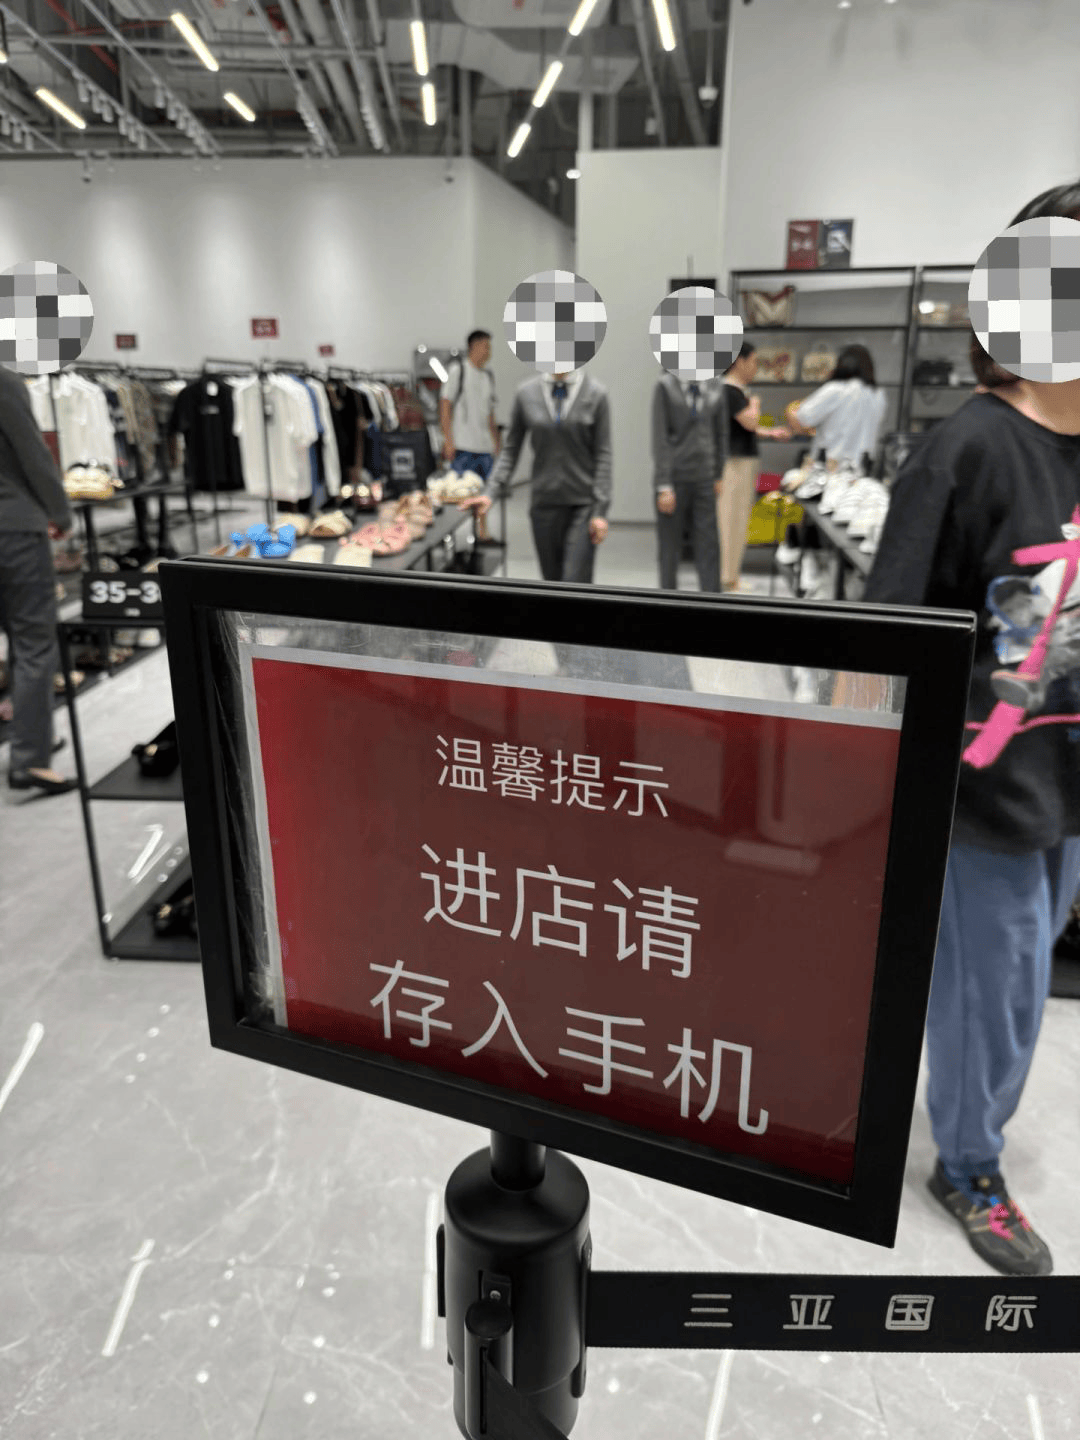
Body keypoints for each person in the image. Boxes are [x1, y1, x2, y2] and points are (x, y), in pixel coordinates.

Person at [863, 179, 1080, 1279]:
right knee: (989, 991)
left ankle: (972, 1137)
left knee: (1024, 979)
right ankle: (969, 1164)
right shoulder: (966, 453)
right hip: (982, 792)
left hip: (1066, 780)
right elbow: (888, 641)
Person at [0, 364, 77, 796]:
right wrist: (60, 513)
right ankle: (30, 759)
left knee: (18, 639)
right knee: (33, 640)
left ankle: (34, 735)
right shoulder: (4, 382)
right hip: (11, 527)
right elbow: (33, 453)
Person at [461, 368, 611, 583]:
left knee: (575, 580)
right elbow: (511, 450)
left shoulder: (596, 393)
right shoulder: (527, 393)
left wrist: (600, 510)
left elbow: (603, 454)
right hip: (544, 505)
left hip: (582, 504)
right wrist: (490, 491)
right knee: (552, 582)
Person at [719, 342, 789, 592]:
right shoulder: (730, 390)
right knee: (730, 520)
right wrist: (755, 402)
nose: (756, 367)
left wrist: (770, 432)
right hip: (734, 463)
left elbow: (749, 427)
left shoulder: (736, 392)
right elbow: (750, 421)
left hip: (741, 461)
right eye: (754, 361)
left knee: (739, 519)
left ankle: (732, 576)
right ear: (740, 362)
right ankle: (727, 577)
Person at [651, 371, 725, 592]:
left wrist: (718, 473)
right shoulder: (665, 386)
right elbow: (660, 438)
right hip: (674, 478)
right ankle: (667, 598)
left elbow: (721, 433)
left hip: (705, 476)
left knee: (708, 544)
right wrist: (664, 485)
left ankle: (712, 601)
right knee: (670, 547)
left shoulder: (716, 385)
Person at [440, 329, 500, 543]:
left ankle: (482, 532)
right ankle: (452, 538)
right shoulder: (459, 371)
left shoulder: (487, 376)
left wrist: (496, 442)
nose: (488, 351)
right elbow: (445, 405)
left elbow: (490, 413)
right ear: (474, 346)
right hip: (463, 445)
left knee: (483, 492)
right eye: (486, 346)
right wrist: (448, 440)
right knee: (458, 492)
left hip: (484, 446)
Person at [786, 343, 888, 471]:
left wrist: (792, 409)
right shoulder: (878, 395)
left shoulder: (836, 390)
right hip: (862, 468)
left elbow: (802, 418)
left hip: (830, 468)